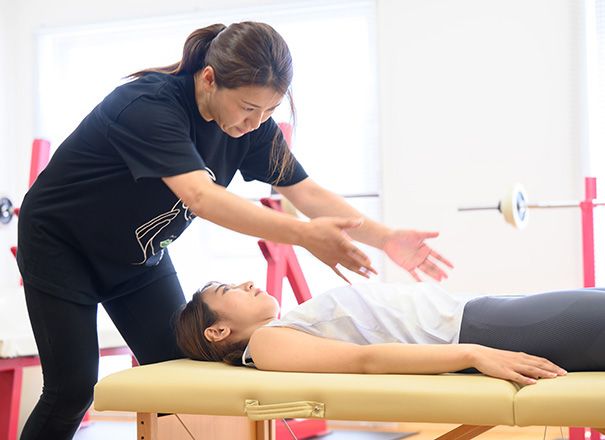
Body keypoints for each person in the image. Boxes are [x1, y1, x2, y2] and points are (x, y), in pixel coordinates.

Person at [16, 22, 452, 440]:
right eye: (248, 108)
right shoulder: (148, 107)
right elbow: (201, 198)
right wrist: (302, 235)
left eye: (270, 110)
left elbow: (307, 192)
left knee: (184, 372)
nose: (257, 121)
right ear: (209, 80)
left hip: (138, 256)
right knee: (72, 388)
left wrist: (384, 237)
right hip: (60, 246)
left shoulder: (253, 126)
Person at [176, 280, 605, 385]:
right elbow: (367, 361)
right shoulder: (265, 343)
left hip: (491, 313)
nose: (244, 282)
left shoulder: (288, 324)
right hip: (487, 328)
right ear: (219, 330)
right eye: (226, 289)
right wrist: (477, 352)